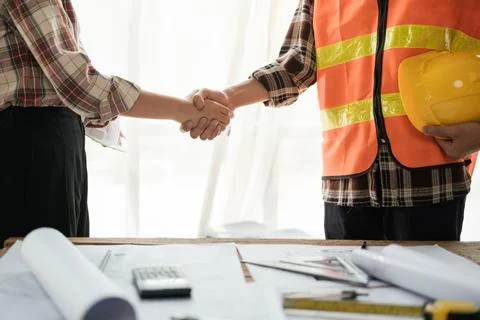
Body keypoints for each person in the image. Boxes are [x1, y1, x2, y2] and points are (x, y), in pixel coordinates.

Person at [182, 0, 480, 241]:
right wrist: (228, 97)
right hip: (347, 184)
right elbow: (295, 66)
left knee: (427, 303)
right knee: (349, 304)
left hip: (432, 176)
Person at [0, 0, 233, 246]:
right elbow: (79, 84)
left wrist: (187, 109)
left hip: (46, 142)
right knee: (43, 268)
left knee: (59, 261)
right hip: (33, 148)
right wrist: (183, 110)